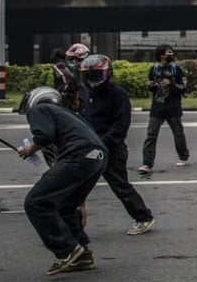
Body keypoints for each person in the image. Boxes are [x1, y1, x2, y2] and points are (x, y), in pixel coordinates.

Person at [16, 86, 107, 275]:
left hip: (78, 154)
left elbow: (43, 136)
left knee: (36, 202)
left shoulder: (38, 110)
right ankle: (82, 253)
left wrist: (30, 150)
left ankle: (67, 251)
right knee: (65, 206)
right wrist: (79, 200)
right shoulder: (68, 114)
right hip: (98, 157)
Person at [78, 55, 156, 235]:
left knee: (119, 185)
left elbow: (121, 126)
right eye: (89, 75)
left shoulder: (117, 94)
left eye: (96, 75)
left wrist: (103, 142)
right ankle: (72, 222)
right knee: (77, 185)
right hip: (89, 146)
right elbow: (83, 117)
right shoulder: (85, 92)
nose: (92, 80)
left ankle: (143, 217)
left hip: (111, 148)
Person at [138, 43, 191, 175]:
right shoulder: (154, 69)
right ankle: (147, 163)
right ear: (161, 54)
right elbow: (152, 86)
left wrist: (171, 84)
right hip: (157, 107)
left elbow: (183, 88)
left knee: (178, 133)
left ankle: (183, 156)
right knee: (151, 135)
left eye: (171, 52)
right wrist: (151, 85)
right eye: (168, 52)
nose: (170, 54)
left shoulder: (176, 70)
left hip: (173, 108)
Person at [53, 43, 89, 113]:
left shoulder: (79, 66)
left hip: (80, 93)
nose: (72, 61)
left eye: (74, 58)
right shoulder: (85, 65)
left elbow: (70, 79)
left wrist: (63, 91)